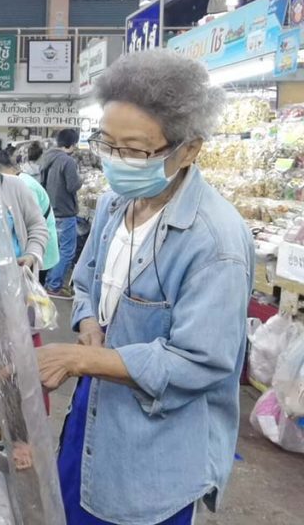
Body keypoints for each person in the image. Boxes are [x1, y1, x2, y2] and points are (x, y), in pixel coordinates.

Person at [36, 50, 252, 525]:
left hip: (154, 450)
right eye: (106, 144)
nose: (115, 161)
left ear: (188, 150)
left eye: (134, 150)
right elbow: (87, 280)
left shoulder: (214, 243)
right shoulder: (116, 204)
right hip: (93, 413)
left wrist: (79, 359)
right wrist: (88, 324)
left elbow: (199, 361)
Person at [0, 149, 59, 274]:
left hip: (36, 252)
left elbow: (34, 223)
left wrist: (31, 254)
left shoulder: (21, 184)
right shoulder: (22, 178)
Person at [40, 128, 82, 297]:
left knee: (53, 249)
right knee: (66, 251)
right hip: (65, 212)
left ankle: (48, 282)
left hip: (50, 211)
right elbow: (72, 186)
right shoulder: (67, 161)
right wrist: (80, 179)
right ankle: (54, 286)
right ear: (72, 144)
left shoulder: (47, 158)